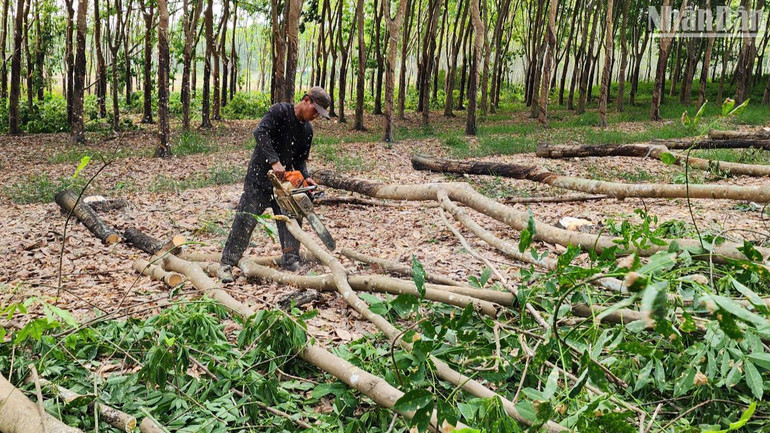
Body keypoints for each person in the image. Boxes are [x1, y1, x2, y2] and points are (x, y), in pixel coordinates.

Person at [218, 87, 331, 283]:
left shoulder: (307, 130)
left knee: (291, 219)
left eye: (319, 115)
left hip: (283, 186)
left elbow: (300, 160)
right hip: (258, 179)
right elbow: (260, 132)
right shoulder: (280, 112)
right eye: (315, 111)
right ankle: (227, 263)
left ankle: (291, 259)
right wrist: (274, 160)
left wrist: (305, 178)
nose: (315, 117)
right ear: (306, 101)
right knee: (245, 221)